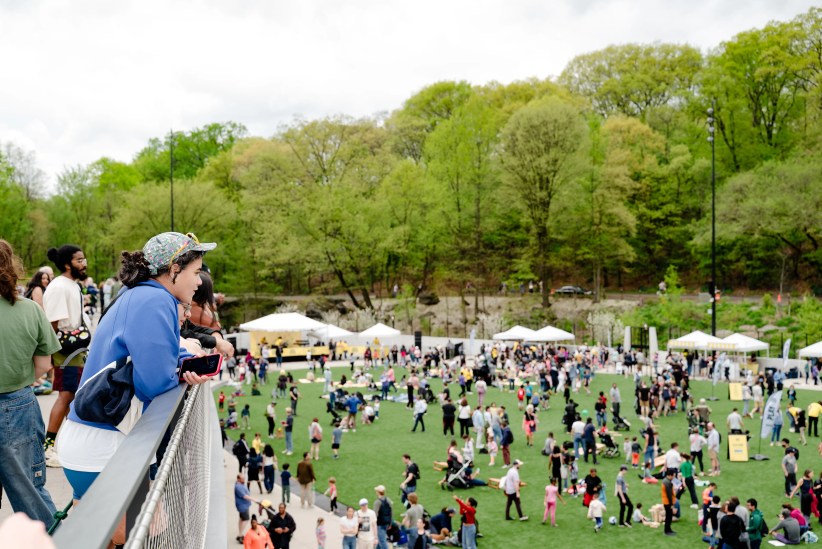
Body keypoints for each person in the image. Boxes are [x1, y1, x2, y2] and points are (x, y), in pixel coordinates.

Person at [56, 233, 213, 544]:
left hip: (95, 436)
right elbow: (153, 382)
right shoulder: (155, 299)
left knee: (102, 536)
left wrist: (181, 362)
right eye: (196, 271)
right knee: (145, 532)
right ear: (174, 269)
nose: (200, 281)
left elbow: (154, 354)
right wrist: (181, 370)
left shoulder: (144, 295)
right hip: (105, 443)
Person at [0, 240, 61, 528]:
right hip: (18, 404)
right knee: (30, 492)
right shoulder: (30, 310)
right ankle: (57, 541)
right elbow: (43, 365)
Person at [43, 244, 91, 467]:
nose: (84, 264)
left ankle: (70, 444)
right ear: (66, 264)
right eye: (79, 260)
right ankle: (48, 447)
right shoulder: (59, 286)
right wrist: (50, 356)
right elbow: (52, 323)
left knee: (72, 396)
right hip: (65, 351)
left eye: (84, 259)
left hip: (75, 350)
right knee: (66, 395)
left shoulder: (72, 285)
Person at [235, 474, 254, 543]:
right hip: (243, 506)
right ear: (238, 479)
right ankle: (240, 535)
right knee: (246, 519)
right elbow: (245, 496)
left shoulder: (240, 485)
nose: (244, 480)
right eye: (242, 479)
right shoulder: (238, 487)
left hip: (244, 505)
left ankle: (240, 533)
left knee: (241, 519)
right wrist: (254, 500)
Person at [374, 485, 393, 549]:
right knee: (381, 540)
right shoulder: (388, 500)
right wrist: (390, 523)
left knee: (382, 541)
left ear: (378, 492)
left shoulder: (377, 502)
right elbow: (391, 512)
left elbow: (375, 515)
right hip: (387, 523)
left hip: (379, 524)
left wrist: (372, 525)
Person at [661, 469, 676, 536]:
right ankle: (667, 531)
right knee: (668, 517)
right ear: (670, 475)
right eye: (673, 476)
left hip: (666, 501)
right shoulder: (668, 483)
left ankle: (669, 529)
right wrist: (671, 504)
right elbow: (669, 495)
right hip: (668, 502)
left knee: (669, 516)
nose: (673, 477)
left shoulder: (665, 481)